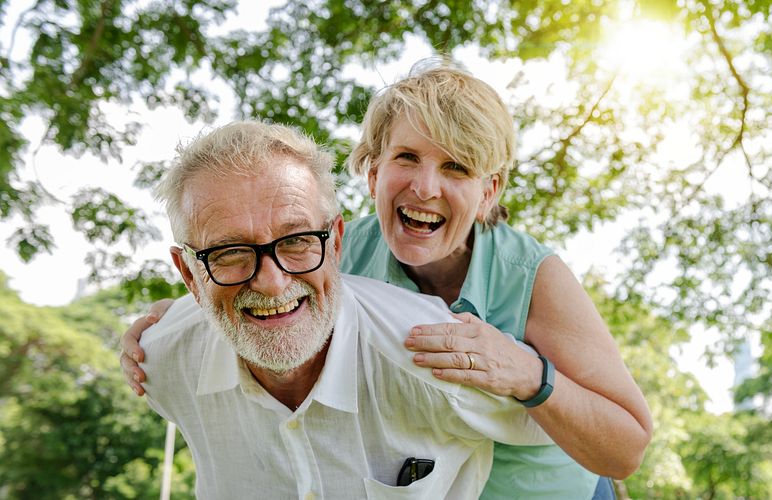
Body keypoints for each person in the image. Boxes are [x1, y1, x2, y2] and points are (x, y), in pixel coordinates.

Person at [122, 61, 653, 499]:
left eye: (457, 167)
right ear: (373, 172)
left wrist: (527, 373)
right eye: (407, 157)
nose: (425, 187)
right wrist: (180, 313)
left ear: (488, 191)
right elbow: (267, 276)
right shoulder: (336, 252)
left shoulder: (532, 276)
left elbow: (626, 448)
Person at [140, 120, 552, 499]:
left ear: (336, 244)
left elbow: (554, 430)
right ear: (190, 275)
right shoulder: (158, 361)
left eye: (297, 240)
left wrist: (536, 381)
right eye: (229, 253)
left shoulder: (434, 358)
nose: (272, 282)